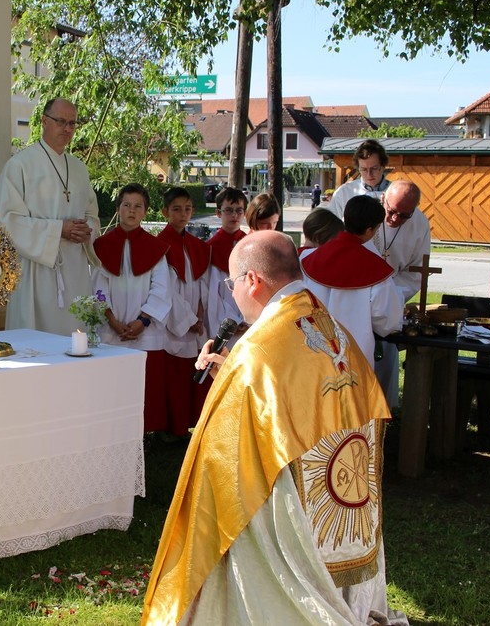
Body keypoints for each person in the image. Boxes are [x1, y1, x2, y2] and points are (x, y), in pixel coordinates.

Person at [142, 231, 407, 626]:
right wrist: (230, 373)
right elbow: (295, 396)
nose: (232, 294)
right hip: (341, 496)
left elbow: (223, 452)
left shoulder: (259, 349)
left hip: (285, 509)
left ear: (253, 280)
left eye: (232, 283)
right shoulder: (326, 324)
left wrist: (234, 378)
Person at [0, 98, 100, 335]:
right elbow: (8, 220)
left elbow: (91, 214)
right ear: (44, 121)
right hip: (37, 269)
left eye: (72, 123)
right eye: (61, 121)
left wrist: (87, 229)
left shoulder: (79, 168)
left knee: (76, 335)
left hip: (74, 267)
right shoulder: (20, 165)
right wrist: (58, 230)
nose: (67, 128)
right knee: (37, 339)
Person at [92, 183, 172, 432]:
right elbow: (98, 288)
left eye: (138, 206)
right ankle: (113, 432)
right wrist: (112, 321)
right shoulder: (102, 245)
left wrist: (143, 321)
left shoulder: (155, 248)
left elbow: (161, 289)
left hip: (145, 332)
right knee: (113, 388)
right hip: (111, 330)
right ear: (118, 209)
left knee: (144, 388)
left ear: (145, 212)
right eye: (126, 205)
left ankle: (144, 434)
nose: (132, 210)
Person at [301, 195, 404, 366]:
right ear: (370, 230)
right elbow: (387, 322)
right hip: (354, 355)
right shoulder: (376, 270)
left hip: (313, 350)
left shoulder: (307, 258)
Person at [371, 180, 432, 410]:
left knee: (385, 356)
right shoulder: (367, 210)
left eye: (404, 215)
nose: (395, 219)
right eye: (391, 211)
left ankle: (382, 411)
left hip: (391, 297)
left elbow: (416, 272)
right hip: (357, 294)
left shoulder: (420, 224)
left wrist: (387, 294)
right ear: (384, 199)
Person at [156, 186, 210, 437]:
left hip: (194, 317)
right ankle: (173, 428)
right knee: (175, 377)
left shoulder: (196, 245)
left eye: (187, 209)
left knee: (194, 373)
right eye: (176, 209)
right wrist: (187, 320)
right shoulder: (160, 245)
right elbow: (167, 289)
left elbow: (200, 283)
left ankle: (191, 423)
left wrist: (199, 315)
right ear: (165, 212)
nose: (183, 214)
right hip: (175, 320)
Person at [204, 187, 248, 340]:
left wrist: (247, 318)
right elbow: (212, 294)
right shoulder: (210, 248)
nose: (234, 215)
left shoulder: (250, 245)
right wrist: (233, 320)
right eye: (228, 210)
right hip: (221, 319)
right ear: (218, 213)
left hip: (248, 318)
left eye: (239, 210)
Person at [327, 139, 391, 218]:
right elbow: (332, 223)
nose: (369, 174)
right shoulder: (343, 193)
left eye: (374, 168)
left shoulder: (396, 193)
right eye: (364, 169)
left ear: (383, 166)